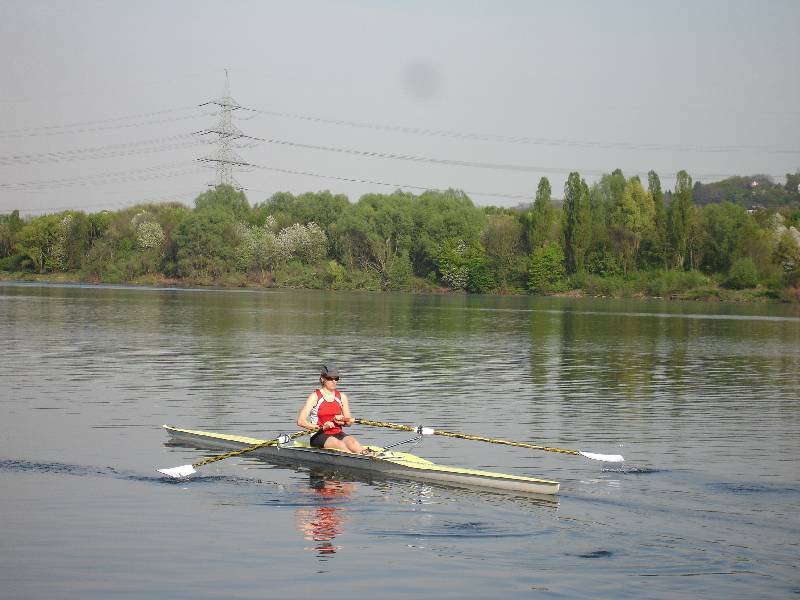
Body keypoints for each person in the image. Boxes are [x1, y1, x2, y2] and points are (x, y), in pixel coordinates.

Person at [297, 363, 370, 454]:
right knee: (340, 445)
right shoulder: (315, 397)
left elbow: (348, 423)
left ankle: (370, 458)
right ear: (322, 378)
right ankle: (357, 461)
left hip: (337, 433)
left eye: (336, 378)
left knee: (353, 442)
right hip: (319, 435)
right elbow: (301, 421)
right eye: (330, 378)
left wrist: (342, 421)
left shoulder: (342, 397)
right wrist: (322, 427)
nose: (334, 381)